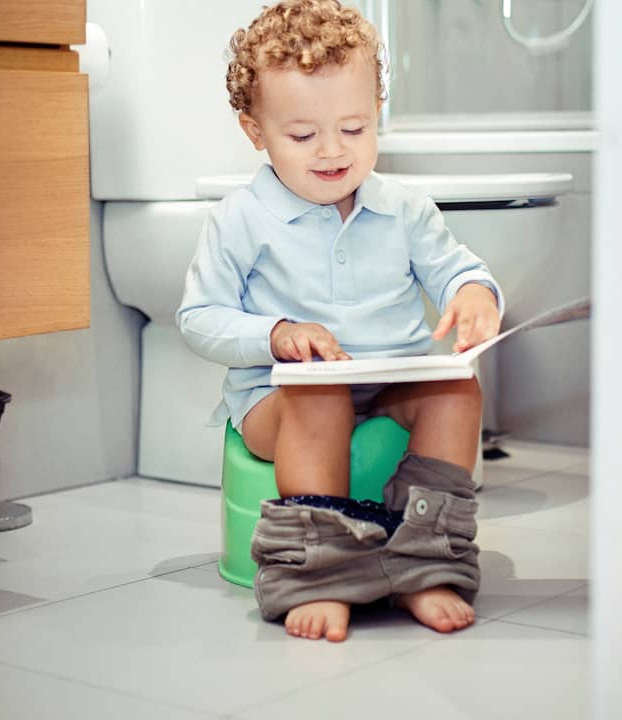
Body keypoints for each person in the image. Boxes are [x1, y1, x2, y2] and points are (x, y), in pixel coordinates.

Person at [176, 0, 503, 643]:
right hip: (283, 393)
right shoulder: (240, 218)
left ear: (376, 114)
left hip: (388, 377)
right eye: (303, 136)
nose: (332, 151)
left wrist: (473, 295)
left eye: (354, 128)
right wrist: (275, 335)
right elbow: (198, 317)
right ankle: (317, 574)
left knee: (456, 391)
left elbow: (458, 268)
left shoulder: (405, 207)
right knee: (319, 395)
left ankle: (423, 560)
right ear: (254, 130)